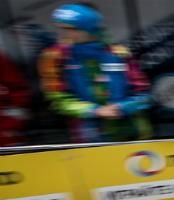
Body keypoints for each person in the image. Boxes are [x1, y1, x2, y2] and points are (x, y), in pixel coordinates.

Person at [38, 3, 151, 143]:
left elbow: (144, 94)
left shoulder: (118, 53)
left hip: (132, 133)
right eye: (62, 28)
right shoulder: (54, 57)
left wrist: (123, 107)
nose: (65, 34)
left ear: (90, 29)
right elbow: (57, 100)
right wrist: (94, 110)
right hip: (88, 137)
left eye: (72, 29)